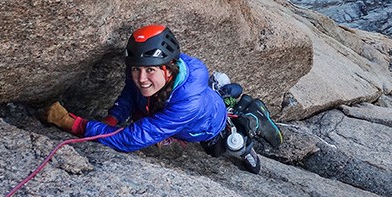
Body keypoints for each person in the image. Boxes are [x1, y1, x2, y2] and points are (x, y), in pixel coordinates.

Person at [42, 24, 263, 173]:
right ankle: (220, 92)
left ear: (169, 69)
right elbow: (130, 94)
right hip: (176, 113)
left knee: (220, 149)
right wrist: (111, 120)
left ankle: (245, 150)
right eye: (136, 69)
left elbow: (132, 139)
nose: (141, 78)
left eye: (150, 71)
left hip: (208, 128)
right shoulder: (150, 74)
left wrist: (75, 124)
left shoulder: (188, 102)